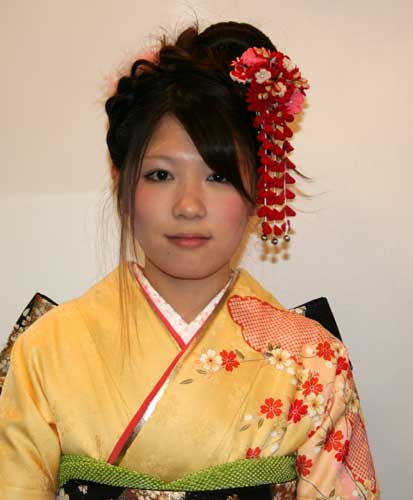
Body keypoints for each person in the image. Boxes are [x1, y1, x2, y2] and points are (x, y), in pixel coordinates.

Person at [0, 20, 379, 500]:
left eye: (218, 176)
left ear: (259, 189)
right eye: (160, 174)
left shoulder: (314, 360)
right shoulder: (45, 350)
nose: (188, 206)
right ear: (121, 185)